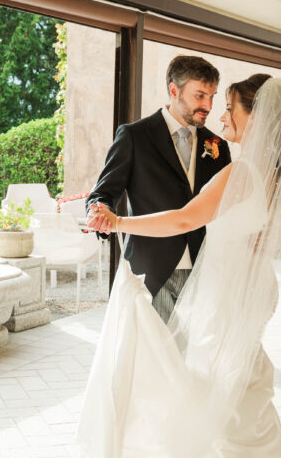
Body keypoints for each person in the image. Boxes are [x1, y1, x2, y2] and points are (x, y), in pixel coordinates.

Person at [74, 75, 281, 458]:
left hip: (221, 290)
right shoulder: (277, 176)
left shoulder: (242, 171)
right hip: (248, 287)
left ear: (253, 117)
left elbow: (184, 218)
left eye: (230, 107)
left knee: (213, 382)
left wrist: (120, 221)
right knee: (238, 379)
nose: (221, 115)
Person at [86, 56, 232, 321]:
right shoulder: (134, 137)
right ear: (174, 90)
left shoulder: (218, 147)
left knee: (190, 359)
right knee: (155, 358)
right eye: (200, 95)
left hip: (204, 273)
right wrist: (100, 212)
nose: (208, 105)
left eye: (212, 96)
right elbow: (102, 193)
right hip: (150, 272)